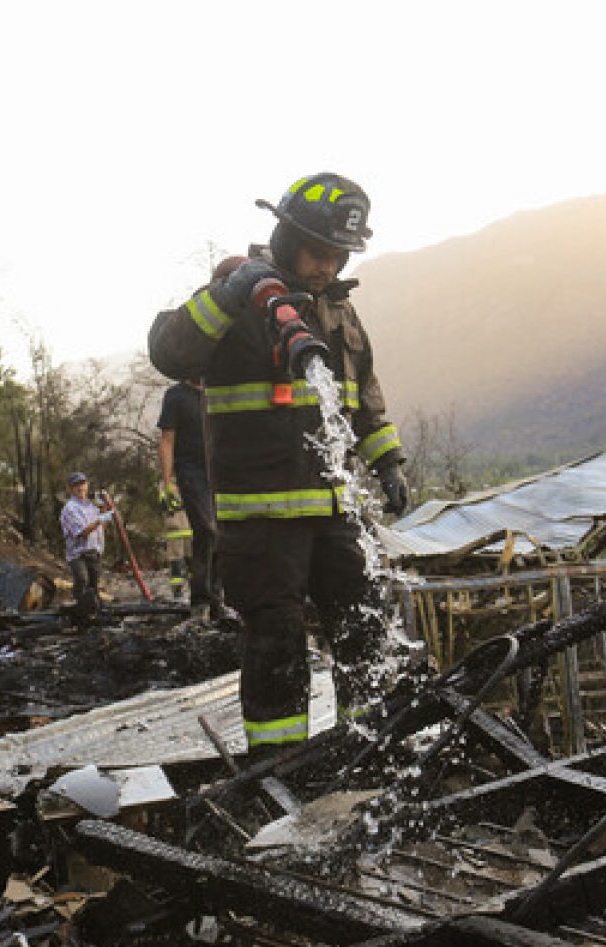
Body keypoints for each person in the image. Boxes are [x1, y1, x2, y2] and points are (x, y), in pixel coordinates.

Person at [148, 172, 409, 754]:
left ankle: (368, 749)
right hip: (261, 515)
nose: (329, 267)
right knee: (277, 640)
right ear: (287, 237)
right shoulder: (240, 299)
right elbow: (169, 351)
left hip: (333, 509)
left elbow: (362, 395)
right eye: (320, 252)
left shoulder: (340, 313)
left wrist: (388, 460)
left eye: (340, 255)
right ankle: (278, 768)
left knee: (364, 625)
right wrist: (234, 290)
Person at [156, 379, 220, 618]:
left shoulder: (216, 390)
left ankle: (217, 599)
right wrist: (167, 483)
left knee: (222, 533)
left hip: (218, 469)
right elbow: (167, 440)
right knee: (206, 530)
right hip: (190, 471)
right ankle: (201, 600)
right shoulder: (176, 396)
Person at [59, 471, 112, 614]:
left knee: (94, 586)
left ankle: (94, 614)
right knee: (82, 581)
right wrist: (101, 519)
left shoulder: (91, 507)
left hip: (94, 551)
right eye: (76, 485)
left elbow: (102, 528)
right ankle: (79, 611)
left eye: (82, 484)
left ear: (87, 485)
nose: (80, 487)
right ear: (70, 488)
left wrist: (104, 510)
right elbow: (82, 533)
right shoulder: (70, 508)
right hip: (78, 554)